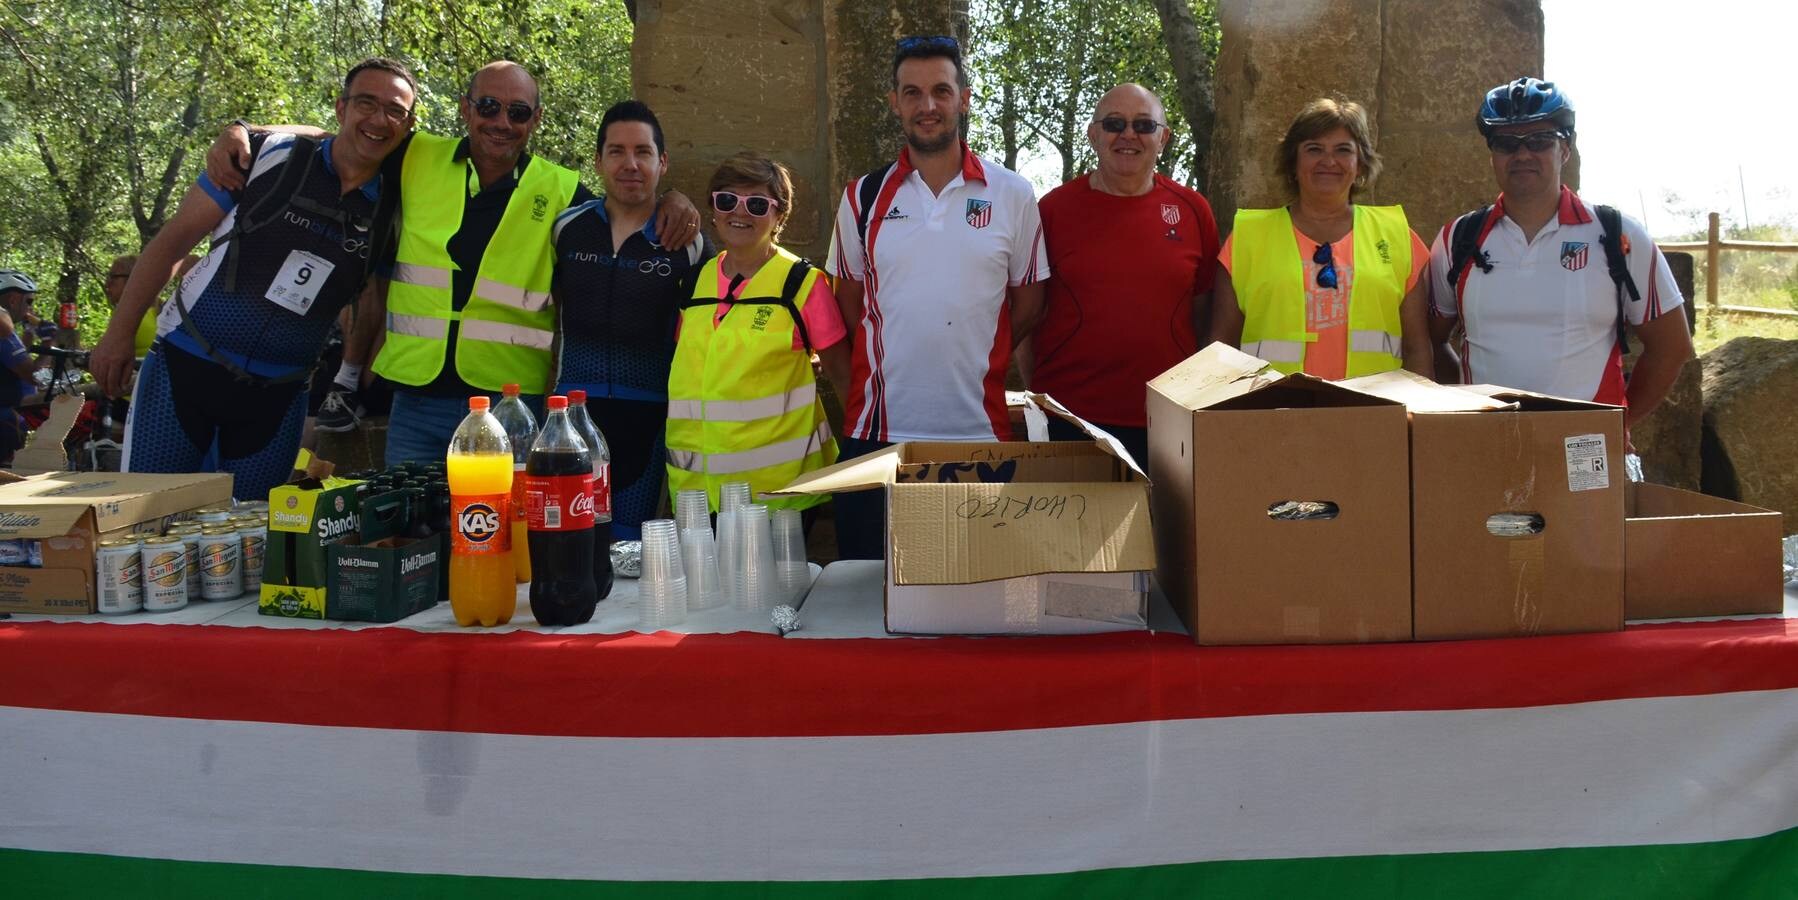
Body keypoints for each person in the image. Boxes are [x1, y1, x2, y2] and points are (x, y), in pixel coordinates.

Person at [208, 62, 701, 459]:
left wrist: (674, 197)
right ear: (466, 109)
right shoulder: (417, 155)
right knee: (412, 540)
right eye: (488, 106)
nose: (501, 122)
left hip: (510, 404)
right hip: (417, 398)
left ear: (536, 120)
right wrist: (247, 130)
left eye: (518, 112)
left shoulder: (561, 189)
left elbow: (624, 203)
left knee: (500, 543)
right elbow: (341, 139)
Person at [90, 58, 416, 501]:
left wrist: (349, 377)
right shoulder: (267, 156)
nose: (379, 120)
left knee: (247, 546)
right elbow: (172, 243)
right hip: (186, 369)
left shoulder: (395, 208)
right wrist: (118, 334)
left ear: (408, 123)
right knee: (148, 531)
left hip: (278, 399)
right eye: (365, 103)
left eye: (394, 110)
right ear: (341, 109)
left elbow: (373, 301)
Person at [824, 35, 1049, 559]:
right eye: (912, 92)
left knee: (974, 599)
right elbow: (849, 301)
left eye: (941, 91)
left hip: (977, 431)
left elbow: (1031, 299)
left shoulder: (1013, 193)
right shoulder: (861, 196)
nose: (928, 106)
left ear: (964, 98)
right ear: (894, 102)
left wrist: (978, 348)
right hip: (876, 430)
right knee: (866, 598)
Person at [1428, 78, 1692, 425]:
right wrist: (1462, 404)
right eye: (1507, 143)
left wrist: (1619, 424)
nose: (1523, 154)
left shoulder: (1618, 234)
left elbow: (1671, 348)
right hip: (1485, 443)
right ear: (1492, 154)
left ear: (1565, 148)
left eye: (1539, 141)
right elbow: (1430, 341)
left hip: (1583, 446)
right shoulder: (1456, 239)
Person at [1033, 83, 1219, 466]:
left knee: (1161, 528)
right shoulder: (1052, 209)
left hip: (1167, 418)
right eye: (1114, 123)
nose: (1128, 135)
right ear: (1093, 134)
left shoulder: (1193, 210)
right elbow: (1029, 311)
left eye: (1144, 125)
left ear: (1163, 138)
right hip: (1071, 418)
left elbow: (1202, 312)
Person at [551, 100, 710, 541]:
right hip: (573, 416)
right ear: (599, 160)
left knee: (631, 549)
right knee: (569, 540)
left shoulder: (688, 243)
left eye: (642, 152)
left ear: (663, 162)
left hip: (651, 418)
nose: (630, 164)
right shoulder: (567, 229)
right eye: (617, 151)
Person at [667, 151, 849, 516]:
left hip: (780, 498)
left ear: (779, 214)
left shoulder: (803, 285)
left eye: (757, 204)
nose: (740, 211)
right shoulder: (694, 283)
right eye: (727, 200)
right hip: (695, 495)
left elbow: (846, 381)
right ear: (713, 209)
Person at [1210, 97, 1433, 379]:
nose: (1329, 161)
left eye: (1343, 150)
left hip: (1375, 412)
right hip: (1272, 411)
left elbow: (1418, 348)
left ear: (1360, 164)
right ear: (1293, 161)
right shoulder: (1247, 238)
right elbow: (1221, 348)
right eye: (1314, 149)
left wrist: (1421, 419)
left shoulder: (1397, 236)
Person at [0, 270, 44, 465]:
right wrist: (48, 343)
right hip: (7, 419)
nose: (30, 309)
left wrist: (29, 332)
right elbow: (35, 376)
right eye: (29, 301)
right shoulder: (2, 325)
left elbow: (14, 359)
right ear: (13, 298)